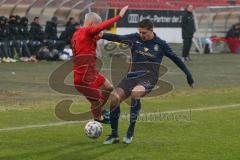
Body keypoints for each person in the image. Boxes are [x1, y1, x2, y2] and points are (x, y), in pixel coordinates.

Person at [101, 19, 194, 144]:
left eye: (144, 33)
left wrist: (188, 74)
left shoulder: (161, 44)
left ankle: (130, 131)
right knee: (114, 99)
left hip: (148, 79)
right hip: (131, 77)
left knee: (135, 93)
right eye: (140, 32)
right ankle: (114, 135)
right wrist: (102, 35)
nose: (141, 35)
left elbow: (176, 59)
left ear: (151, 30)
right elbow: (118, 38)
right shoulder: (135, 38)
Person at [71, 5, 129, 123]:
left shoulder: (79, 33)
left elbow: (94, 38)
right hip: (83, 77)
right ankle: (98, 119)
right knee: (96, 101)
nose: (99, 29)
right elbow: (100, 28)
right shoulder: (87, 31)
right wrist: (119, 16)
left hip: (91, 73)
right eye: (97, 26)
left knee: (108, 87)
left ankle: (99, 111)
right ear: (92, 24)